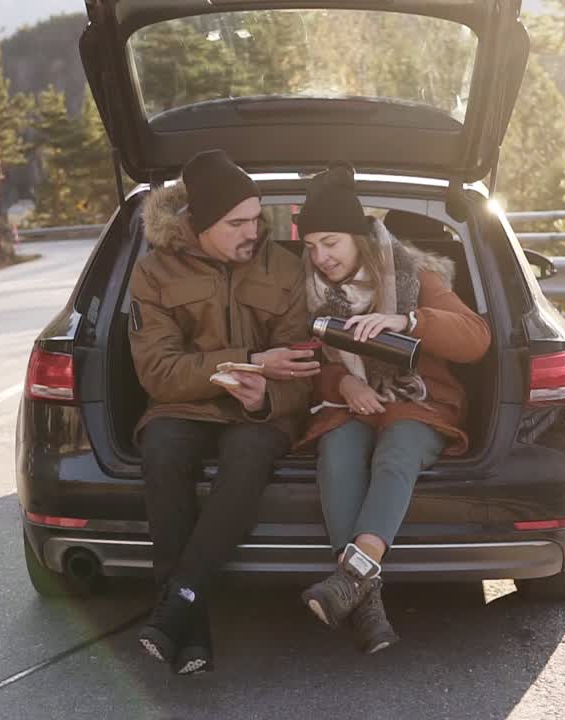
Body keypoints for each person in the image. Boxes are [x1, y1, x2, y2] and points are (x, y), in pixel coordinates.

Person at [128, 149, 319, 675]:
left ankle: (175, 611)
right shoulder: (153, 271)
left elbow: (303, 372)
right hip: (183, 403)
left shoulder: (284, 267)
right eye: (237, 222)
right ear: (200, 224)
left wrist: (268, 398)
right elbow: (159, 374)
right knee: (163, 450)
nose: (253, 231)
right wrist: (249, 363)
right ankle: (191, 623)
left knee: (250, 454)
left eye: (258, 218)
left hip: (259, 413)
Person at [295, 164, 492, 654]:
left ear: (358, 236)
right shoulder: (311, 294)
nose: (321, 258)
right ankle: (365, 600)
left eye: (331, 243)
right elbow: (310, 361)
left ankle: (352, 576)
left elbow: (477, 340)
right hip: (353, 404)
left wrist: (407, 319)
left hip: (418, 400)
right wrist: (344, 381)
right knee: (337, 451)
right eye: (311, 245)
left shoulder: (414, 275)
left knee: (397, 451)